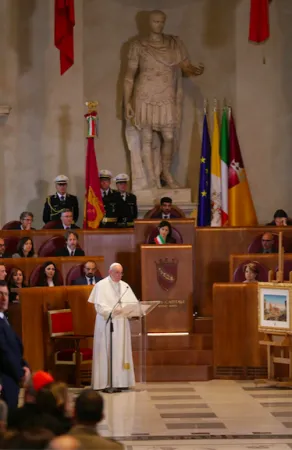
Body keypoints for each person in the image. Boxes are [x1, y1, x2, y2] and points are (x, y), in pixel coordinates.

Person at [124, 10, 204, 189]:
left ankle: (166, 173)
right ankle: (152, 179)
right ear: (149, 22)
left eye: (161, 21)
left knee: (169, 136)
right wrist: (127, 101)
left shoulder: (174, 44)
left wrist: (194, 70)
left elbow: (185, 66)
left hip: (166, 93)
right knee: (146, 137)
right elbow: (129, 76)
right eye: (155, 21)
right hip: (144, 93)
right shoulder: (138, 45)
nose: (158, 25)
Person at [88, 263, 138, 390]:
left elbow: (133, 303)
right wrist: (111, 312)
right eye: (117, 272)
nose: (119, 275)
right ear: (110, 272)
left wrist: (128, 309)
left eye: (121, 273)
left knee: (121, 352)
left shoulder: (125, 286)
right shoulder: (101, 285)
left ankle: (121, 382)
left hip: (121, 323)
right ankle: (105, 382)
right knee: (107, 350)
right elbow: (98, 306)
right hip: (106, 323)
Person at [0, 281, 31, 409]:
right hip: (4, 379)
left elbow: (14, 348)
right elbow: (4, 352)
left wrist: (25, 366)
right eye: (0, 294)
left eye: (6, 294)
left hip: (11, 378)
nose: (4, 298)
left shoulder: (3, 319)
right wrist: (20, 373)